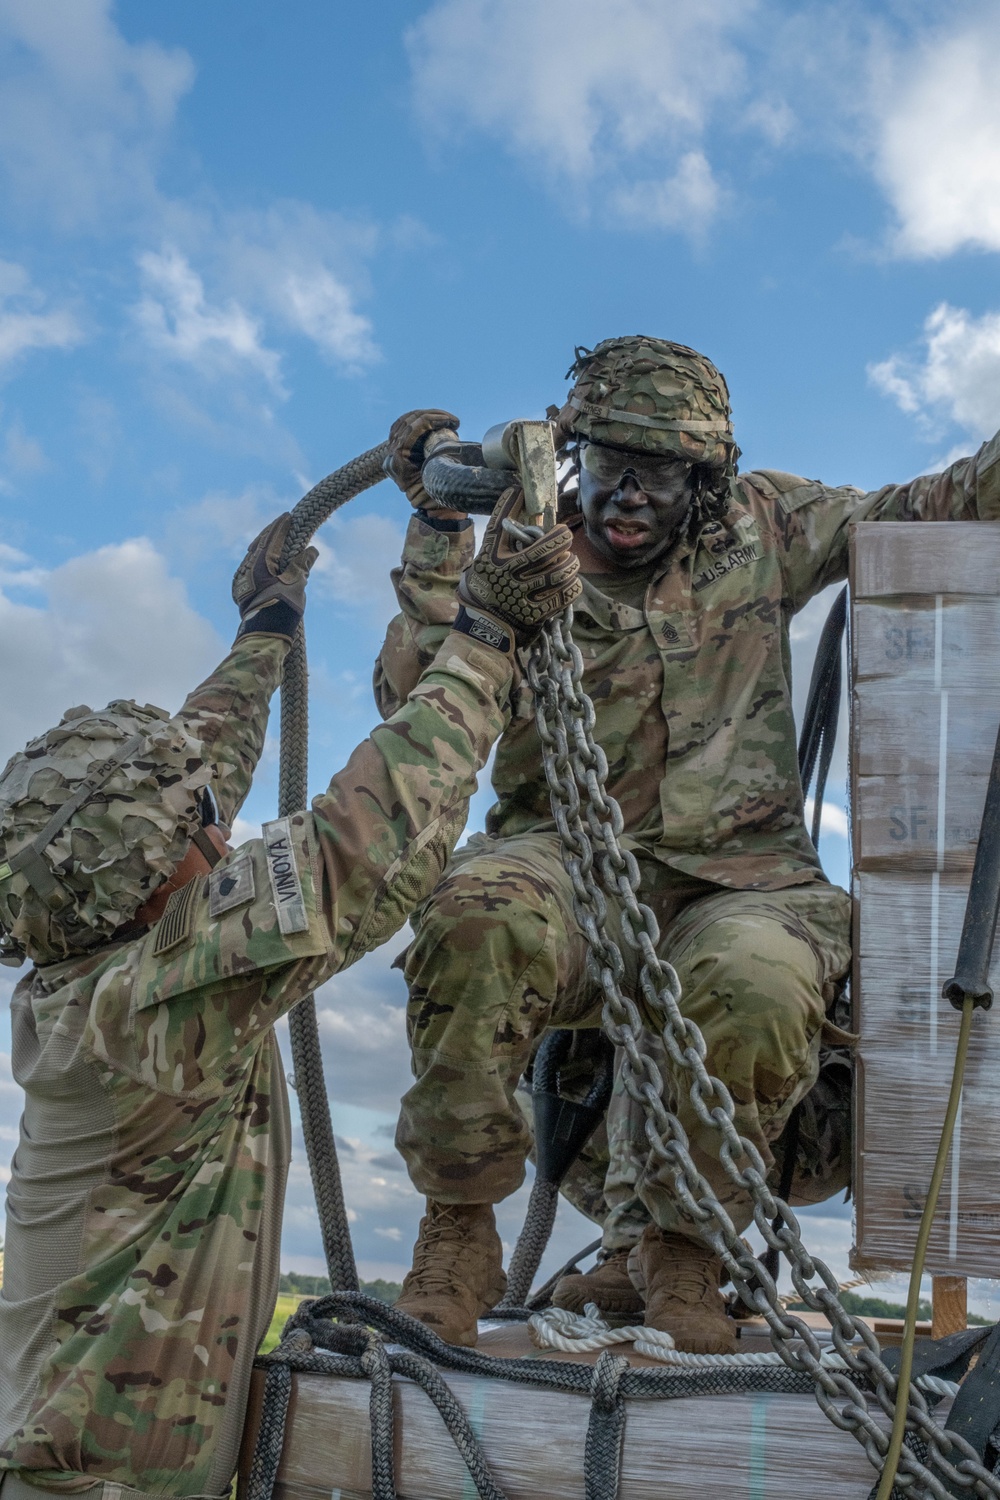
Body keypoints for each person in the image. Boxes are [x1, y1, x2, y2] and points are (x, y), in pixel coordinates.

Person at [376, 335, 1000, 1352]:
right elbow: (415, 699)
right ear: (572, 453)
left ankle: (679, 1250)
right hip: (566, 864)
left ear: (706, 479)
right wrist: (441, 530)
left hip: (744, 881)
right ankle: (455, 1235)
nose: (627, 496)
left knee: (757, 977)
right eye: (610, 463)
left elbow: (937, 503)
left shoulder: (763, 528)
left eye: (660, 475)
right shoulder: (524, 550)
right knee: (473, 918)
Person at [0, 491, 580, 1500]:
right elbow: (360, 850)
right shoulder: (150, 1007)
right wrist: (484, 641)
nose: (224, 836)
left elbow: (190, 767)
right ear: (151, 882)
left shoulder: (92, 949)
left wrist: (264, 627)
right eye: (203, 833)